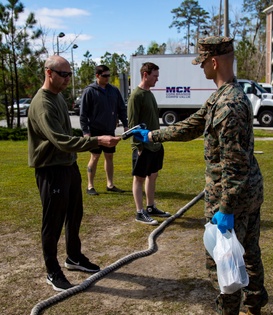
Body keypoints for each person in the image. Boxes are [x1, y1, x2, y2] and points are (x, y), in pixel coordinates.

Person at [131, 37, 268, 315]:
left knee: (224, 260)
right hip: (246, 193)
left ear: (214, 62)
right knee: (248, 256)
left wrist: (226, 208)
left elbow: (235, 164)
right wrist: (153, 134)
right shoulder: (225, 95)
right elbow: (193, 125)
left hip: (231, 196)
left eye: (203, 62)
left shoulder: (229, 104)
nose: (201, 67)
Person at [28, 55, 121, 292]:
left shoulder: (58, 97)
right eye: (63, 74)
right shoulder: (43, 103)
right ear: (49, 73)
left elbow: (67, 137)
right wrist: (96, 140)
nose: (68, 79)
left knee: (74, 213)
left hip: (68, 166)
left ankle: (74, 257)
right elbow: (60, 140)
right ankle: (52, 270)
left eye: (70, 74)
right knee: (53, 221)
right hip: (51, 170)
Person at [127, 62, 171, 225]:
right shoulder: (136, 96)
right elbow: (133, 124)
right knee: (139, 178)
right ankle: (140, 212)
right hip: (143, 147)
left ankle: (150, 207)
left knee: (153, 175)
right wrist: (138, 147)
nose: (157, 80)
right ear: (145, 75)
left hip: (155, 144)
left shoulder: (149, 94)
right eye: (155, 76)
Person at [80, 65, 128, 196]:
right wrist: (86, 132)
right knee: (94, 157)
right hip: (95, 131)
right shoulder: (89, 91)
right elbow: (83, 113)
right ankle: (90, 186)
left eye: (109, 76)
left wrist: (125, 124)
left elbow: (121, 108)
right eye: (104, 76)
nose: (107, 78)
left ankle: (110, 184)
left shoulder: (113, 90)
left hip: (109, 130)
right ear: (97, 76)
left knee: (109, 156)